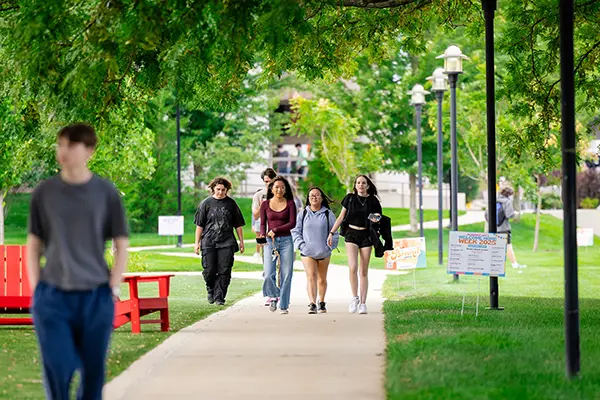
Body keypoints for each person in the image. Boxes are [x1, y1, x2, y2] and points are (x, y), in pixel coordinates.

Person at [26, 123, 129, 400]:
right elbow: (34, 244)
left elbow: (121, 244)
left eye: (71, 145)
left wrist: (113, 288)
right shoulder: (44, 193)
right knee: (57, 367)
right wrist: (37, 290)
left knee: (93, 372)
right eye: (60, 144)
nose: (63, 151)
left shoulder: (105, 193)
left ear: (89, 151)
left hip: (95, 296)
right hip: (53, 296)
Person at [328, 175, 382, 315]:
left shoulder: (373, 200)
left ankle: (363, 303)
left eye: (363, 183)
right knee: (353, 267)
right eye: (358, 182)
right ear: (355, 185)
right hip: (351, 233)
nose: (361, 185)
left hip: (366, 235)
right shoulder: (350, 198)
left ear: (368, 185)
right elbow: (341, 216)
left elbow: (378, 217)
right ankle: (354, 298)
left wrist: (370, 219)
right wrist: (332, 232)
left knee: (363, 270)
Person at [194, 177, 245, 305]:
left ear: (227, 190)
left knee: (225, 270)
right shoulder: (206, 204)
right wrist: (197, 242)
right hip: (208, 241)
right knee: (209, 270)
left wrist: (241, 241)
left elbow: (238, 225)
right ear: (213, 189)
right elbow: (199, 225)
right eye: (218, 189)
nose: (220, 192)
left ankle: (219, 297)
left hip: (227, 242)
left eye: (223, 190)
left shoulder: (231, 204)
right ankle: (210, 288)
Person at [292, 187, 338, 314]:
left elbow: (334, 232)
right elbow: (295, 231)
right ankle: (312, 303)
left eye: (317, 195)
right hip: (307, 252)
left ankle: (321, 302)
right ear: (308, 198)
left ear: (321, 198)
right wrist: (301, 245)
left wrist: (331, 246)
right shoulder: (303, 213)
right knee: (311, 276)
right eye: (311, 195)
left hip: (324, 252)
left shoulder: (328, 214)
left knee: (322, 279)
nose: (314, 197)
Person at [259, 176, 297, 314]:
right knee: (268, 273)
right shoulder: (265, 204)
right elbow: (263, 223)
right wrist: (263, 234)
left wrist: (275, 230)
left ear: (285, 189)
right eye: (276, 187)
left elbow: (292, 223)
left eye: (282, 187)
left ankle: (284, 305)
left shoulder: (291, 203)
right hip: (270, 242)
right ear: (272, 189)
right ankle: (274, 296)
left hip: (286, 241)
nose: (279, 189)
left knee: (286, 274)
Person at [487, 186, 527, 269]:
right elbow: (509, 214)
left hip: (494, 228)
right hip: (504, 228)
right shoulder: (507, 202)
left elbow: (486, 214)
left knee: (494, 246)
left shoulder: (494, 200)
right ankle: (514, 264)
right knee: (508, 246)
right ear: (510, 195)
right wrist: (515, 213)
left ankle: (492, 264)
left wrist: (492, 223)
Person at [252, 168, 277, 261]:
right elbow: (255, 216)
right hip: (264, 232)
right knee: (266, 263)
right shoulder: (258, 195)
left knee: (281, 265)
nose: (268, 184)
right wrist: (263, 205)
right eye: (266, 181)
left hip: (280, 233)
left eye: (271, 181)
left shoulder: (282, 194)